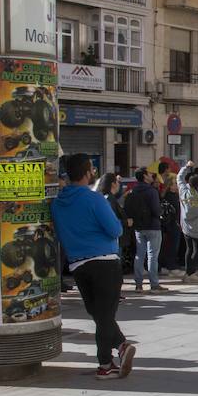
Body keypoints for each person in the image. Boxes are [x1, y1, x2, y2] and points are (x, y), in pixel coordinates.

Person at [53, 154, 136, 379]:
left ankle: (121, 347)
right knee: (105, 316)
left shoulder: (58, 202)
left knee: (99, 314)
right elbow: (115, 230)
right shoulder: (94, 199)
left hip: (78, 265)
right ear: (88, 172)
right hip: (105, 261)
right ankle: (106, 364)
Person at [123, 169, 164, 293]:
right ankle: (154, 284)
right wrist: (161, 211)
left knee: (139, 255)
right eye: (149, 174)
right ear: (145, 176)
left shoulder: (133, 190)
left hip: (139, 227)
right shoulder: (152, 191)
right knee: (152, 256)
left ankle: (138, 285)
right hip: (153, 226)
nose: (152, 176)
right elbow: (156, 210)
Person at [181, 173, 198, 278]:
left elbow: (179, 179)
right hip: (197, 228)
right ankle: (190, 273)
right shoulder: (195, 197)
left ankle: (188, 272)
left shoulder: (184, 190)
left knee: (190, 249)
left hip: (186, 227)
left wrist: (185, 168)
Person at [161, 173, 182, 275]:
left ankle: (168, 265)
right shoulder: (170, 196)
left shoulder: (172, 195)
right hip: (172, 225)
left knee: (171, 246)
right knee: (172, 246)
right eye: (175, 184)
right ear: (170, 185)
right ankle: (171, 266)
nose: (177, 185)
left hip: (172, 224)